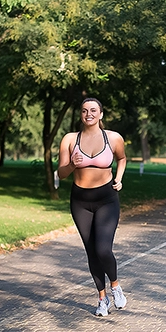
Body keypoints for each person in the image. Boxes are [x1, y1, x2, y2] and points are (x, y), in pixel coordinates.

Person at [57, 97, 128, 316]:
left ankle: (115, 287)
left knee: (103, 249)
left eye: (94, 110)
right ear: (80, 114)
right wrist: (71, 164)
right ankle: (102, 299)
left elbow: (122, 158)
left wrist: (119, 177)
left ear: (101, 114)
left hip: (107, 198)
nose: (89, 114)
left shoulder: (114, 138)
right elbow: (60, 173)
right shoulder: (69, 139)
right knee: (91, 252)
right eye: (85, 110)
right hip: (80, 201)